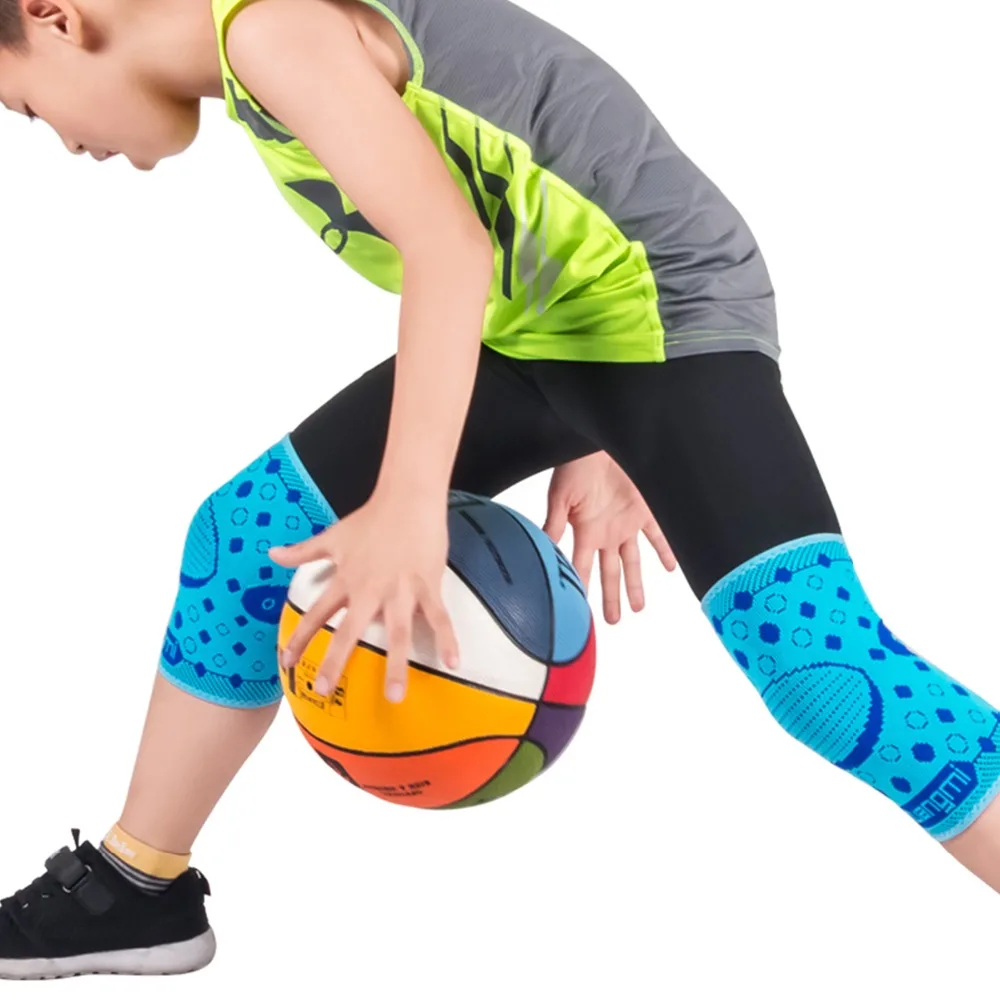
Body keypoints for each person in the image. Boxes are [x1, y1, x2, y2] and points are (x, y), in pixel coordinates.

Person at [0, 0, 997, 980]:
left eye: (30, 110)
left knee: (823, 671)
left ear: (54, 15)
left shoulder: (271, 30)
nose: (66, 142)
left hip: (663, 309)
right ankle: (137, 887)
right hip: (553, 329)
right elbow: (532, 124)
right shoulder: (260, 45)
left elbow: (448, 249)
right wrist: (600, 430)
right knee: (245, 540)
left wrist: (409, 505)